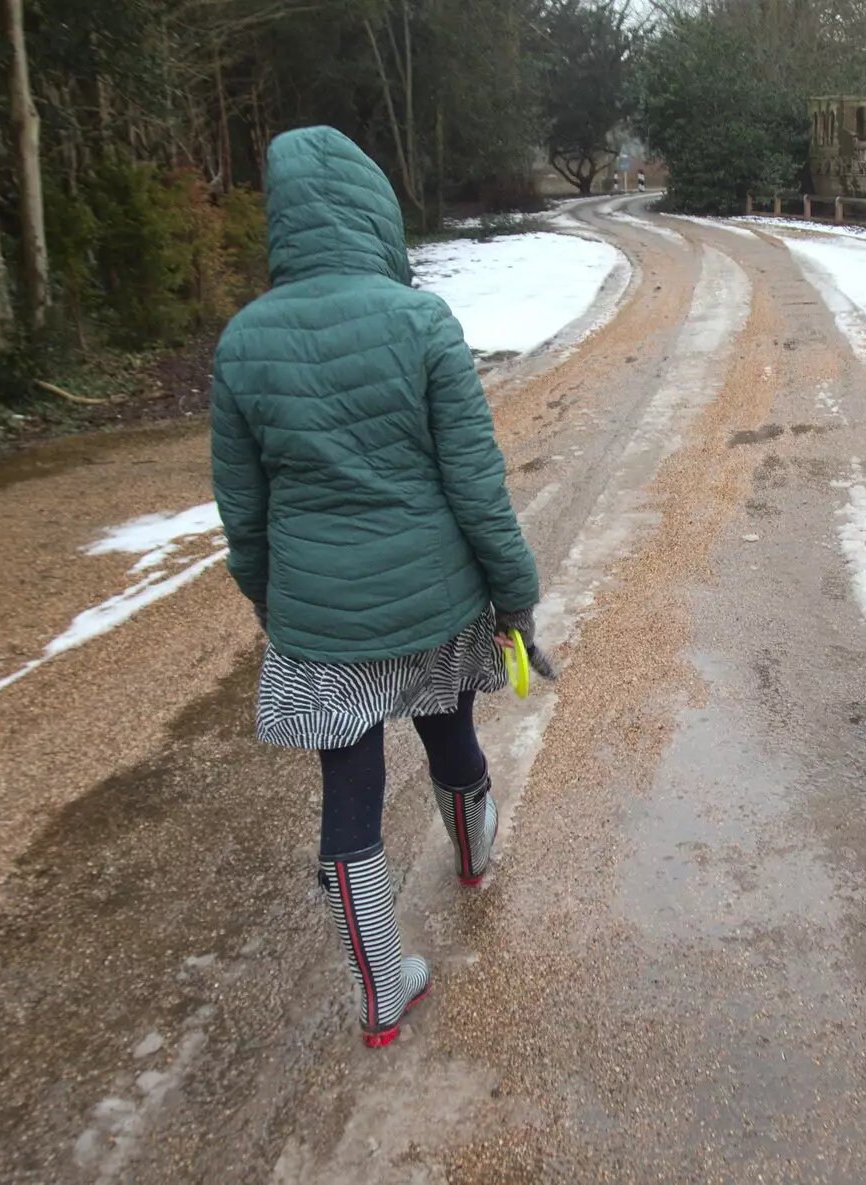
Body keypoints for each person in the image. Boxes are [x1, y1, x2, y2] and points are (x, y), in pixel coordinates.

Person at [210, 126, 551, 1048]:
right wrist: (514, 600)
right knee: (451, 730)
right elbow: (476, 485)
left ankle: (380, 990)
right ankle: (474, 856)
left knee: (348, 791)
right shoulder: (422, 321)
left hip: (321, 623)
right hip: (434, 601)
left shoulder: (242, 344)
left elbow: (242, 516)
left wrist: (274, 605)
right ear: (373, 211)